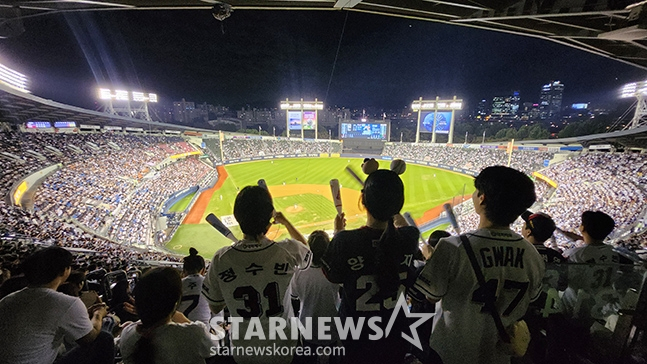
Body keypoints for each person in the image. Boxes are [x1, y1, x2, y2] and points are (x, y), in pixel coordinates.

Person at [414, 166, 545, 364]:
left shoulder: (452, 247)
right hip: (500, 356)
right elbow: (531, 299)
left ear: (482, 198)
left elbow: (430, 297)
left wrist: (432, 260)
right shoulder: (532, 255)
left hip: (450, 352)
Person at [202, 186, 312, 364]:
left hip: (244, 352)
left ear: (237, 218)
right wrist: (284, 221)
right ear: (269, 223)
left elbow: (215, 307)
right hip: (285, 350)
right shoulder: (288, 251)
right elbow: (306, 250)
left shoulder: (221, 258)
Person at [321, 169, 420, 364]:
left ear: (363, 202)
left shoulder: (344, 241)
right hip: (395, 338)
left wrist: (337, 232)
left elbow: (332, 275)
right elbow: (398, 227)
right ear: (398, 205)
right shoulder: (410, 237)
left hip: (355, 339)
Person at [0, 246, 113, 364]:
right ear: (64, 271)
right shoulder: (67, 303)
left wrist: (85, 314)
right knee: (104, 338)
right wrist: (98, 314)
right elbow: (89, 337)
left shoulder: (9, 298)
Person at [119, 267, 216, 364]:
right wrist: (182, 318)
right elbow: (214, 349)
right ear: (176, 302)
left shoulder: (127, 334)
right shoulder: (194, 334)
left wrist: (146, 311)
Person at [290, 230, 341, 364]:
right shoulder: (335, 270)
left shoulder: (299, 272)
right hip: (332, 326)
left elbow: (294, 295)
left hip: (307, 327)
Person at [177, 247, 211, 326]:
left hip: (178, 330)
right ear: (203, 270)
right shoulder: (209, 283)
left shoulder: (177, 284)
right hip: (203, 332)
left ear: (184, 270)